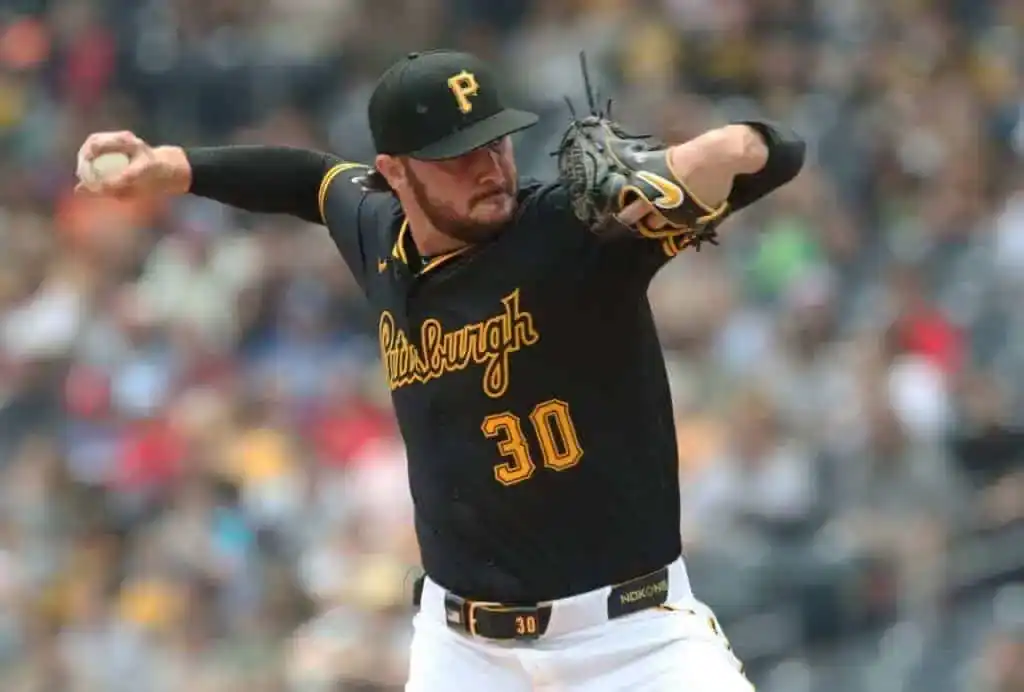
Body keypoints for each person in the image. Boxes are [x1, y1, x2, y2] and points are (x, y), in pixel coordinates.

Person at [76, 49, 805, 691]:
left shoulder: (576, 231)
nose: (490, 168)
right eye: (458, 155)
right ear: (392, 173)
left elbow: (778, 157)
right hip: (464, 652)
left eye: (496, 142)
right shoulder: (380, 238)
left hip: (631, 639)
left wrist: (733, 143)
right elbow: (308, 180)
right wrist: (175, 167)